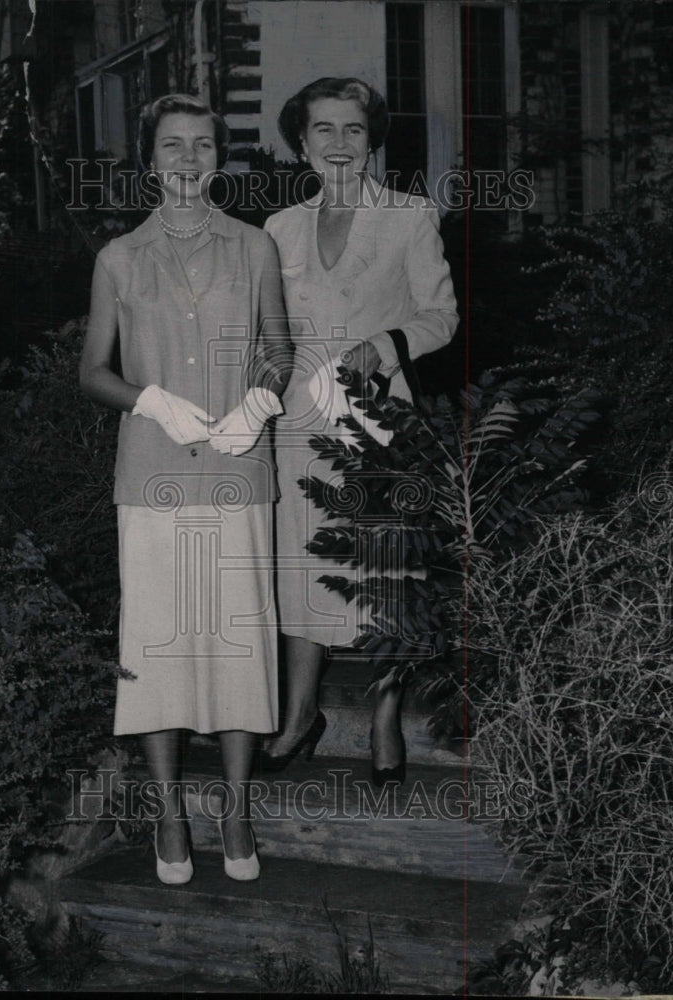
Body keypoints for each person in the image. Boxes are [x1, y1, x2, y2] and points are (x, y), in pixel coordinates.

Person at [79, 94, 291, 883]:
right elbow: (91, 370)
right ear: (149, 159)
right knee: (157, 646)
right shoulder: (119, 259)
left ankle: (234, 808)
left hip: (238, 471)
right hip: (152, 475)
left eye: (202, 145)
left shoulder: (254, 247)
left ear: (219, 156)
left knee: (236, 641)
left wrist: (258, 403)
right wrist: (150, 399)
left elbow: (278, 348)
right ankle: (168, 810)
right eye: (172, 145)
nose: (188, 160)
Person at [260, 77, 458, 785]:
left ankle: (382, 716)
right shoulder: (279, 229)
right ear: (301, 142)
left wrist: (387, 342)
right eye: (323, 129)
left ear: (371, 140)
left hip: (377, 417)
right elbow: (271, 331)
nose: (338, 144)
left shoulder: (409, 216)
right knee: (303, 565)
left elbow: (441, 316)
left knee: (384, 569)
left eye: (352, 129)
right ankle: (299, 715)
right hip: (298, 421)